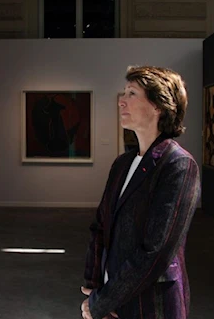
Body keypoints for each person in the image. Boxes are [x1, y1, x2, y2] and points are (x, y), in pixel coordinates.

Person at [81, 66, 201, 319]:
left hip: (152, 304)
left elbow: (155, 251)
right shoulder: (123, 163)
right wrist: (93, 282)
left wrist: (102, 302)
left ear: (159, 106)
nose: (121, 101)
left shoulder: (178, 165)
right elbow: (100, 225)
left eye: (131, 94)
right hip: (115, 295)